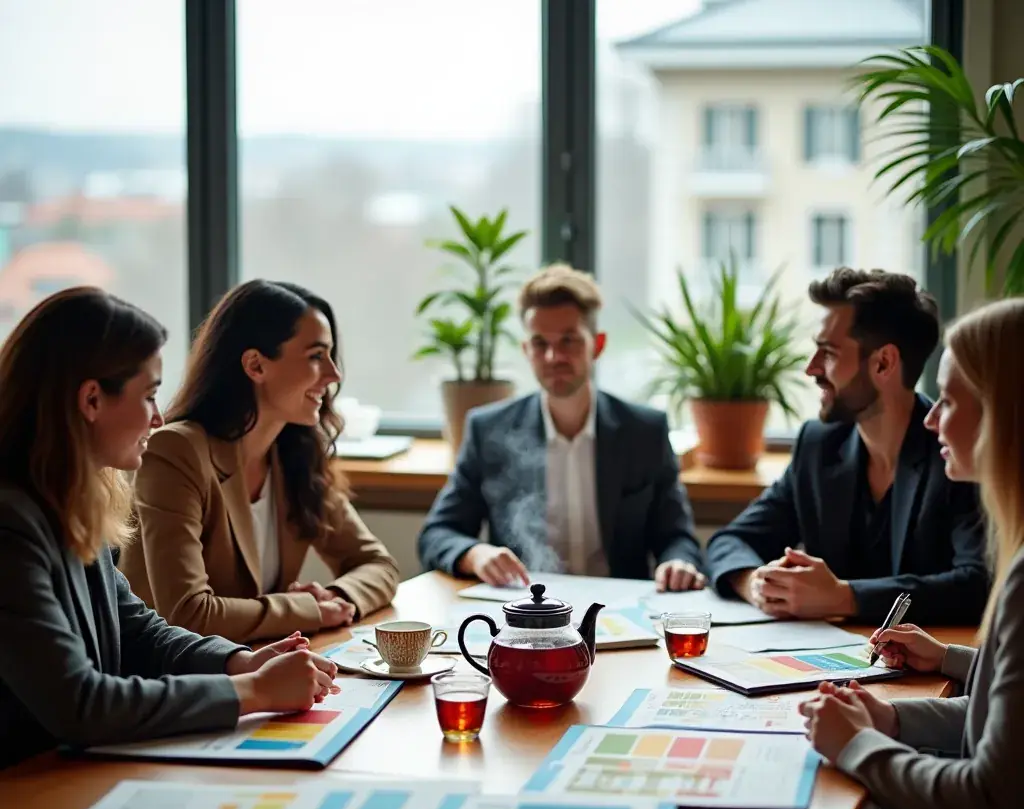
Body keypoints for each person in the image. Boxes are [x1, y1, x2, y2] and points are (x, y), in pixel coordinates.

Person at [745, 298, 1024, 809]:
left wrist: (860, 744)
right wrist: (898, 719)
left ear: (1006, 416)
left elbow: (990, 796)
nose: (935, 417)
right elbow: (1008, 733)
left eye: (954, 398)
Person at [0, 288, 342, 770]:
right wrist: (253, 690)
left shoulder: (72, 501)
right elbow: (81, 705)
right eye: (149, 395)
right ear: (92, 400)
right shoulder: (11, 525)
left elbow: (139, 631)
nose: (158, 417)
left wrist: (239, 662)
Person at [120, 280, 399, 644]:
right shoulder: (176, 450)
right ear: (255, 365)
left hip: (263, 667)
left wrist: (338, 598)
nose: (333, 375)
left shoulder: (295, 454)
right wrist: (307, 609)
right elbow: (188, 613)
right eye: (316, 356)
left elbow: (379, 565)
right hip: (177, 682)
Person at [706, 267, 988, 624]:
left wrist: (845, 598)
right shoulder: (819, 445)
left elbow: (976, 585)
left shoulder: (957, 452)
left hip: (926, 668)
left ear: (884, 363)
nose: (811, 369)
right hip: (830, 669)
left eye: (828, 353)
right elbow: (729, 541)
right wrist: (755, 583)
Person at [416, 263, 705, 590]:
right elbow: (437, 534)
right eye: (540, 343)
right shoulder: (489, 430)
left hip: (620, 612)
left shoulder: (644, 431)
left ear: (597, 344)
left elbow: (677, 537)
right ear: (526, 350)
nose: (554, 356)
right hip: (525, 614)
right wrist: (475, 553)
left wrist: (678, 563)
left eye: (569, 340)